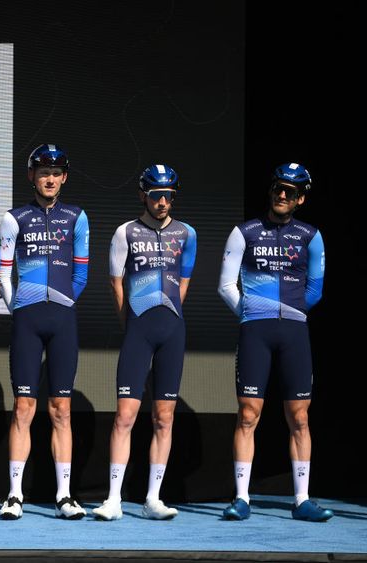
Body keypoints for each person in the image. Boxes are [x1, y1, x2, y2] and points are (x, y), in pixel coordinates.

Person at [218, 163, 330, 522]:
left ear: (301, 198)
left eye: (291, 192)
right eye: (278, 188)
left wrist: (288, 313)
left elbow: (314, 291)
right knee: (248, 414)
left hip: (294, 333)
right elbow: (225, 286)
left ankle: (301, 500)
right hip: (255, 332)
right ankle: (241, 498)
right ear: (271, 190)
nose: (283, 195)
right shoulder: (244, 231)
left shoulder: (311, 236)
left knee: (299, 416)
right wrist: (252, 314)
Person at [92, 164, 197, 521]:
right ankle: (113, 499)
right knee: (125, 416)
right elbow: (116, 282)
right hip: (138, 330)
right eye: (156, 195)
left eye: (168, 195)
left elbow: (183, 283)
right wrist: (132, 322)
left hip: (172, 330)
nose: (163, 202)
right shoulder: (125, 232)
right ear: (143, 195)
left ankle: (153, 498)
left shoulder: (187, 234)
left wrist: (169, 314)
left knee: (164, 417)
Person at [0, 144, 90, 520]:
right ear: (31, 176)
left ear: (64, 178)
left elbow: (81, 275)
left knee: (61, 410)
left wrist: (63, 303)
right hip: (27, 321)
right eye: (42, 172)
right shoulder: (13, 218)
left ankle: (64, 496)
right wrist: (18, 306)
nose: (49, 178)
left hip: (63, 321)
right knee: (23, 407)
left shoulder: (77, 217)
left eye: (56, 173)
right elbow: (3, 274)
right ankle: (14, 495)